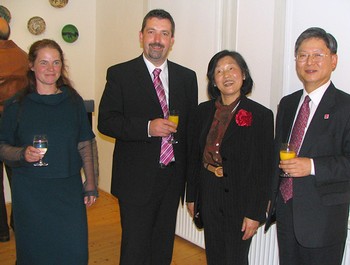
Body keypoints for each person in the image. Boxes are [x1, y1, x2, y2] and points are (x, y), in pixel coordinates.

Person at [98, 9, 198, 265]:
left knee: (163, 246)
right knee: (135, 248)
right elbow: (106, 122)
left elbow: (189, 134)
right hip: (135, 180)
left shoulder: (187, 78)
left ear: (172, 40)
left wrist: (191, 186)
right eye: (151, 32)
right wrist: (147, 127)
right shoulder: (120, 74)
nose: (157, 39)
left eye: (164, 33)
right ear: (141, 36)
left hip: (172, 178)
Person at [0, 39, 99, 265]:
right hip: (31, 193)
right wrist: (23, 153)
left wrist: (91, 183)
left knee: (74, 252)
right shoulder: (16, 104)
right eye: (43, 63)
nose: (51, 69)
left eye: (56, 62)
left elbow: (85, 142)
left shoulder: (72, 101)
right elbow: (2, 146)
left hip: (68, 190)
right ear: (31, 65)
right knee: (35, 253)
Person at [265, 27, 350, 265]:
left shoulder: (346, 106)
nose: (309, 61)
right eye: (302, 55)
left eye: (317, 55)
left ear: (333, 60)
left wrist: (311, 165)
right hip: (286, 212)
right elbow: (275, 155)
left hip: (323, 219)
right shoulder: (288, 103)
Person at [186, 50, 274, 265]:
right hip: (209, 191)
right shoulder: (201, 112)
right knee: (214, 255)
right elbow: (193, 156)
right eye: (219, 71)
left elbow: (265, 169)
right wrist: (191, 196)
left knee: (235, 258)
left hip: (241, 196)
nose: (226, 75)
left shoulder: (261, 115)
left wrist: (255, 212)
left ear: (243, 74)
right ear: (213, 81)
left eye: (231, 68)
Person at [0, 17, 28, 242]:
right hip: (17, 123)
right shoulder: (23, 55)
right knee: (18, 177)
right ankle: (19, 224)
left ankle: (1, 231)